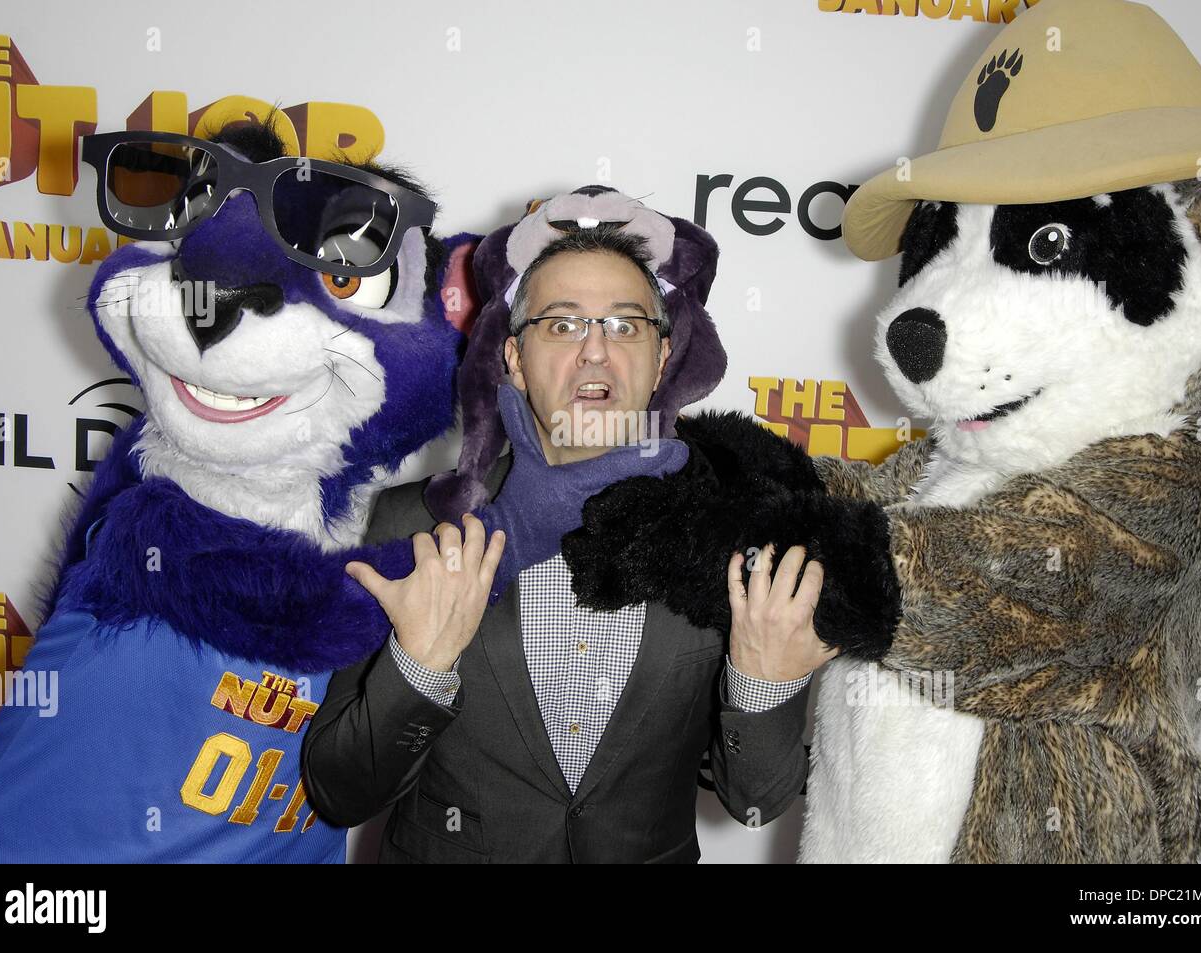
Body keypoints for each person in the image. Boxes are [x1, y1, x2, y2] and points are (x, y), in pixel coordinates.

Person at [301, 189, 836, 863]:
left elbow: (754, 803)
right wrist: (419, 665)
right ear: (515, 360)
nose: (593, 353)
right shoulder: (411, 522)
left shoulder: (730, 530)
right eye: (561, 324)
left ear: (662, 357)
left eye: (624, 325)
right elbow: (338, 791)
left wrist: (765, 679)